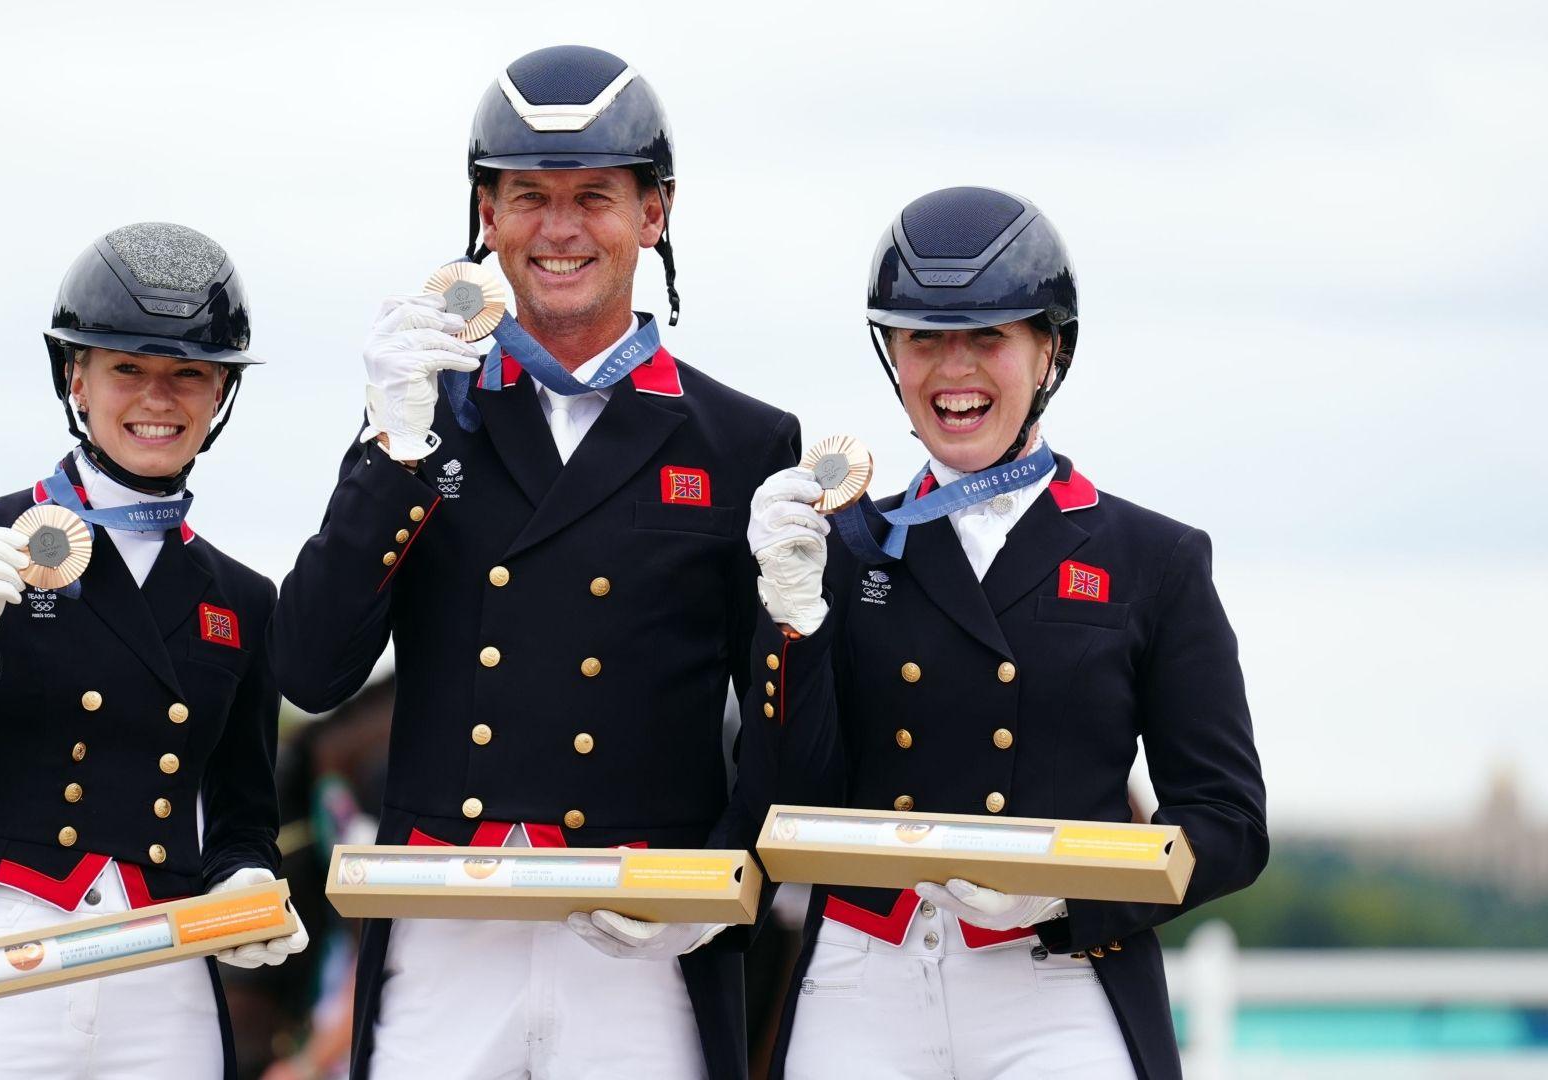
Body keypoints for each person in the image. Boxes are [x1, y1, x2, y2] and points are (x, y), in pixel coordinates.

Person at [272, 44, 804, 1080]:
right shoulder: (423, 414)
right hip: (443, 924)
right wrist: (393, 453)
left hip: (643, 932)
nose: (559, 230)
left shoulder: (742, 442)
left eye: (594, 197)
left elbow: (782, 718)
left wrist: (722, 880)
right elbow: (311, 666)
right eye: (528, 197)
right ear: (486, 213)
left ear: (655, 213)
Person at [747, 187, 1267, 1079]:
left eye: (988, 337)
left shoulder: (1153, 558)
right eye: (923, 338)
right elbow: (786, 792)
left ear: (1048, 349)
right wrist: (790, 616)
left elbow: (1227, 822)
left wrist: (1066, 898)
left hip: (1059, 977)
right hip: (861, 978)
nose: (955, 370)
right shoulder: (841, 545)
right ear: (892, 354)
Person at [0, 222, 307, 1080]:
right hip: (2, 958)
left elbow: (243, 813)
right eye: (128, 369)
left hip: (162, 970)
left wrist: (249, 877)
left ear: (220, 395)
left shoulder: (241, 600)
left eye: (189, 373)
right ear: (77, 376)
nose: (159, 397)